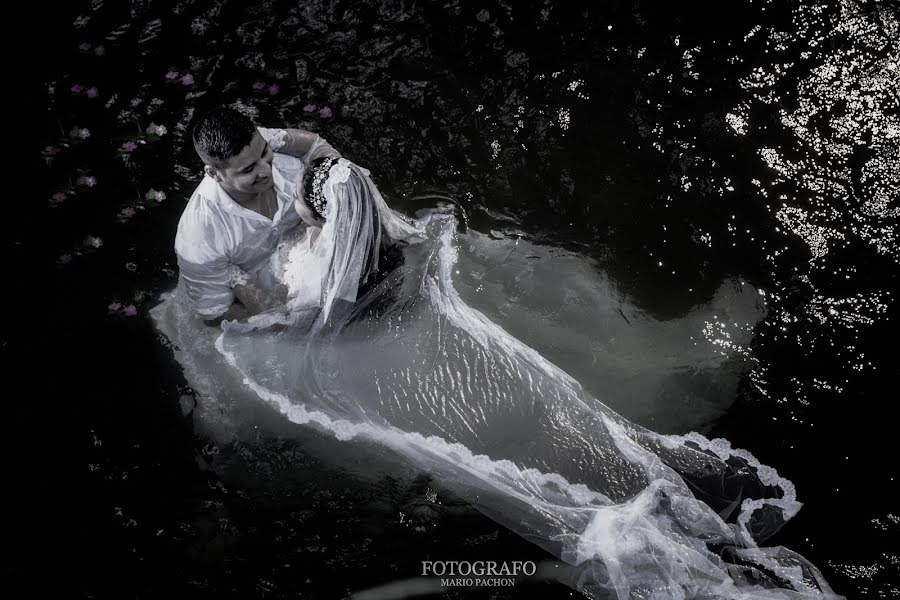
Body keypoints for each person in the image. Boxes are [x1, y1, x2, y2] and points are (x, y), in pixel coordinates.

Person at [175, 106, 340, 326]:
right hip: (260, 285)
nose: (266, 170)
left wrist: (338, 185)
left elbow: (313, 144)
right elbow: (215, 313)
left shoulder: (268, 150)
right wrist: (275, 318)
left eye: (264, 153)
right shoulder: (199, 235)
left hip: (310, 245)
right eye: (249, 169)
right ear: (214, 174)